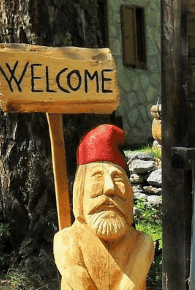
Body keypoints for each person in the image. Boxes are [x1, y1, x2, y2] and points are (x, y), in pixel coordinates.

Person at [54, 124, 154, 290]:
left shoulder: (141, 242)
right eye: (98, 177)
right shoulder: (66, 241)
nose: (110, 188)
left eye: (118, 179)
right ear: (80, 190)